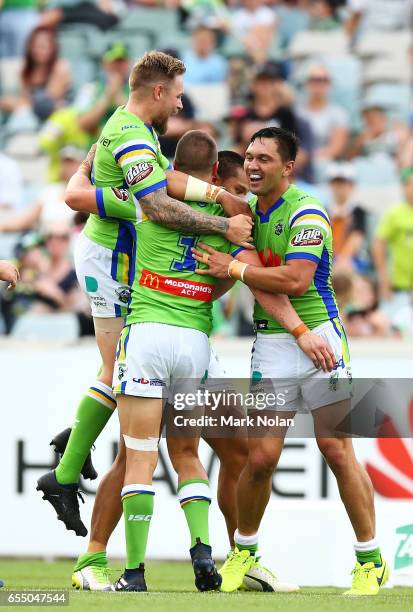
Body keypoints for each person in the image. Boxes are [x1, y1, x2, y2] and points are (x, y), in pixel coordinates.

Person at [63, 129, 333, 593]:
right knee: (156, 454)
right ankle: (98, 553)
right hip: (188, 341)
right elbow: (252, 278)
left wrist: (89, 162)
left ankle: (234, 559)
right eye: (235, 191)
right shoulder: (229, 217)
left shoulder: (152, 203)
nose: (239, 201)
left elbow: (77, 198)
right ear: (215, 176)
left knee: (228, 451)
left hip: (160, 335)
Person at [36, 50, 254, 587]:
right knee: (131, 405)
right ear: (158, 91)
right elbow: (154, 203)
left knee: (141, 436)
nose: (180, 102)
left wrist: (221, 197)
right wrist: (224, 225)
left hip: (127, 267)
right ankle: (69, 480)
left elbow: (101, 191)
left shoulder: (132, 130)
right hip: (116, 262)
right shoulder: (134, 135)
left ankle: (76, 481)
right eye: (177, 93)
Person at [192, 127, 389, 596]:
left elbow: (296, 281)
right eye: (249, 156)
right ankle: (245, 552)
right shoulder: (243, 215)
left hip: (323, 339)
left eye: (264, 158)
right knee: (260, 457)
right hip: (274, 344)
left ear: (288, 167)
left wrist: (235, 268)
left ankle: (370, 560)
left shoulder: (308, 211)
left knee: (337, 450)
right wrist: (240, 267)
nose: (254, 165)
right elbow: (261, 283)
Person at [0, 146, 81, 236]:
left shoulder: (86, 194)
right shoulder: (50, 191)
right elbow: (26, 220)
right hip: (46, 242)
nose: (68, 167)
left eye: (73, 163)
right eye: (65, 163)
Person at [0, 26, 71, 124]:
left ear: (52, 47)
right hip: (30, 112)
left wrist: (15, 103)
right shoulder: (25, 70)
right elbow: (24, 98)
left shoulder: (60, 67)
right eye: (34, 46)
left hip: (55, 116)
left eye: (42, 46)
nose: (37, 51)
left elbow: (47, 104)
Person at [372, 167, 413, 310]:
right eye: (409, 183)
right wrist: (383, 278)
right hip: (399, 288)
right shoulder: (395, 214)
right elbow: (378, 243)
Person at [326, 162, 370, 273]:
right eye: (336, 184)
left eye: (343, 183)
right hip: (330, 259)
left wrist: (342, 259)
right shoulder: (324, 211)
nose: (339, 188)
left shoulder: (358, 212)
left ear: (351, 186)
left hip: (355, 260)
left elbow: (356, 238)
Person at [300, 64, 349, 163]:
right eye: (314, 80)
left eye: (323, 80)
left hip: (325, 162)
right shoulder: (297, 111)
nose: (318, 84)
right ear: (307, 83)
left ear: (329, 84)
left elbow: (336, 148)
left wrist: (312, 158)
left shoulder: (338, 113)